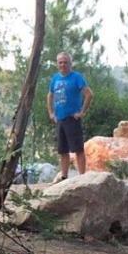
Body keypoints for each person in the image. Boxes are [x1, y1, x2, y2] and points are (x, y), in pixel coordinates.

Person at [48, 52, 92, 183]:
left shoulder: (76, 77)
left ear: (70, 63)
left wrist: (82, 112)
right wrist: (51, 112)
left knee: (78, 149)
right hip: (60, 119)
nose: (63, 65)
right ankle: (64, 176)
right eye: (60, 62)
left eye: (65, 62)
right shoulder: (55, 78)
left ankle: (82, 177)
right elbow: (50, 95)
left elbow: (89, 94)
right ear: (57, 64)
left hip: (73, 118)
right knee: (63, 150)